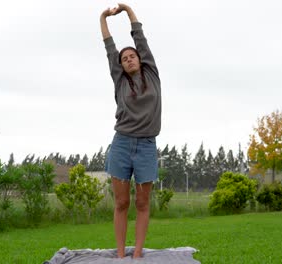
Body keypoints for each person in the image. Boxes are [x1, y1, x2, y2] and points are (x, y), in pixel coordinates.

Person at [100, 3, 161, 259]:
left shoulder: (152, 73)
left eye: (132, 56)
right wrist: (103, 17)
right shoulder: (120, 80)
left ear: (140, 58)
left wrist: (126, 10)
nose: (128, 59)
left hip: (146, 146)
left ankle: (137, 253)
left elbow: (139, 36)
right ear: (121, 66)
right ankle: (121, 254)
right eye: (124, 59)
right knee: (122, 202)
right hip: (122, 144)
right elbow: (109, 47)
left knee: (143, 202)